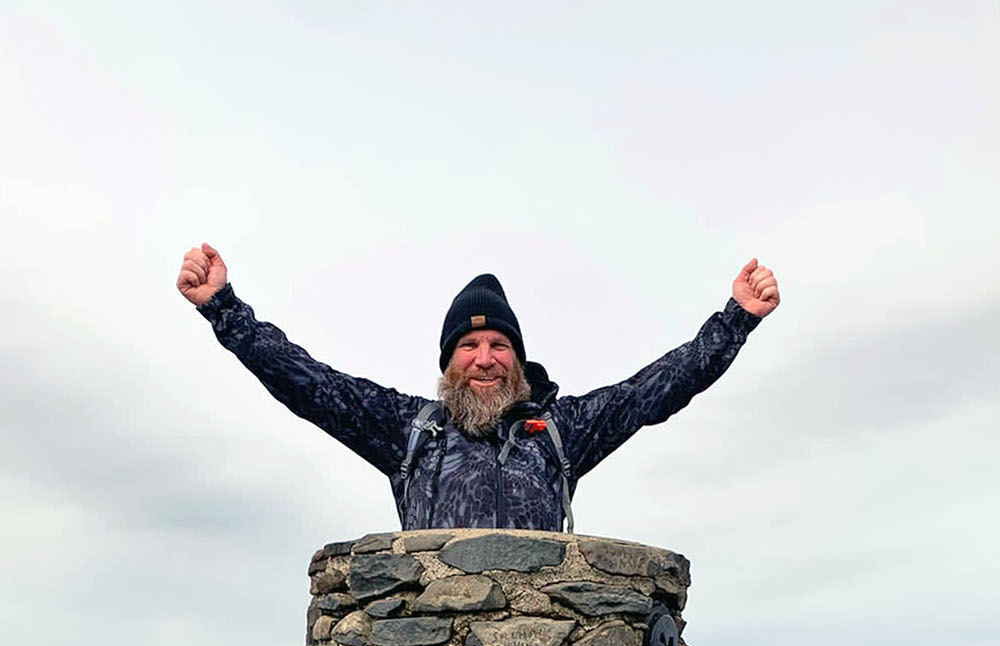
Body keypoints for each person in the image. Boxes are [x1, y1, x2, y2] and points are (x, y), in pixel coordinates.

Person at [177, 244, 779, 532]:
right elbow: (308, 382)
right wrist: (225, 310)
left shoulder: (560, 432)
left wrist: (737, 319)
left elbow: (657, 388)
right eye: (469, 346)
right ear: (449, 361)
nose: (484, 359)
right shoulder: (408, 430)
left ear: (517, 360)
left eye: (498, 346)